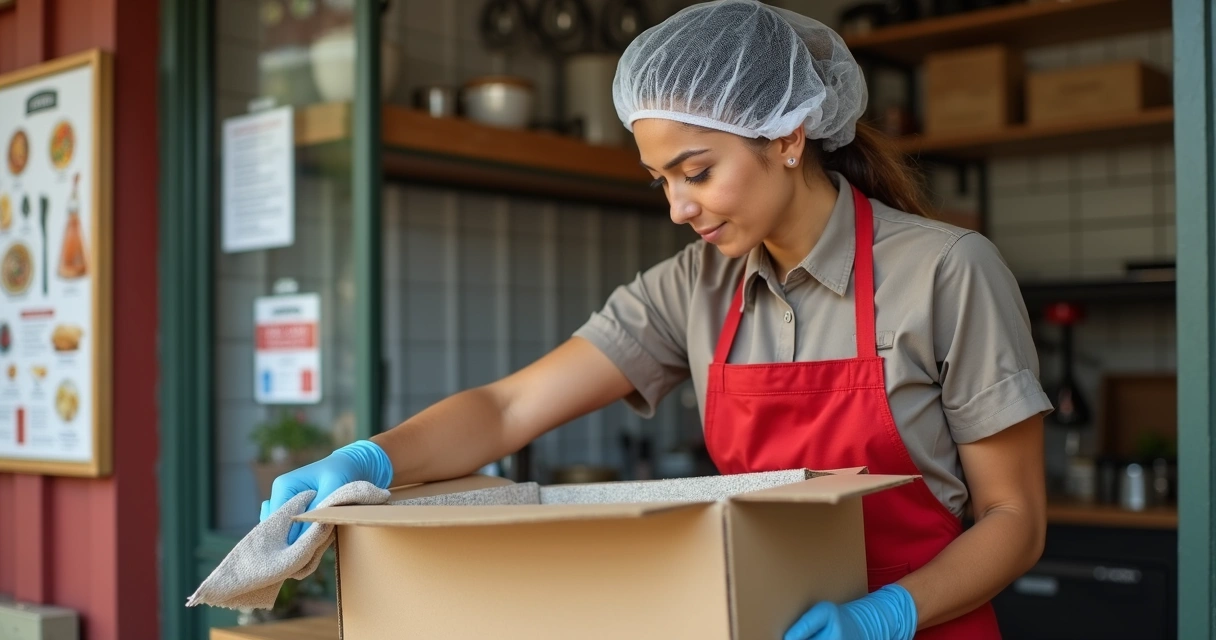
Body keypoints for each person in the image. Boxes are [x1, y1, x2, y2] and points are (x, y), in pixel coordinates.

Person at [260, 1, 1051, 638]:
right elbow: (507, 408)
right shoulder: (693, 287)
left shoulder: (947, 270)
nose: (678, 208)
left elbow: (1014, 518)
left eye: (696, 172)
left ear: (786, 136)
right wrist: (372, 458)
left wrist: (884, 618)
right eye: (660, 181)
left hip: (926, 628)